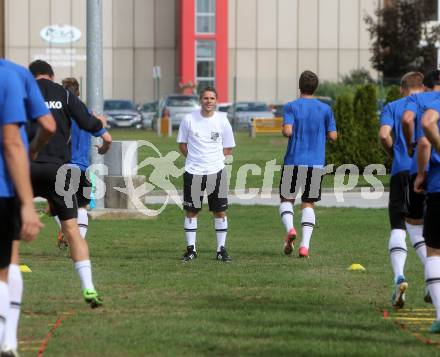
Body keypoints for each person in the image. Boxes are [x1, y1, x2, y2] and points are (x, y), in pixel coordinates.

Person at [28, 60, 112, 308]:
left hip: (28, 167)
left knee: (9, 226)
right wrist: (105, 138)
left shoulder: (24, 92)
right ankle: (89, 288)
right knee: (72, 229)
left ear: (31, 76)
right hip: (60, 170)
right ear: (52, 76)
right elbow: (88, 121)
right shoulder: (64, 94)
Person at [0, 58, 56, 356]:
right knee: (7, 263)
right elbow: (45, 125)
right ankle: (7, 338)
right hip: (4, 187)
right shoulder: (13, 74)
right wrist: (33, 147)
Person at [379, 72, 427, 309]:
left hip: (401, 171)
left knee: (398, 225)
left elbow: (384, 135)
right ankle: (432, 278)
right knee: (422, 230)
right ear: (424, 87)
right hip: (428, 172)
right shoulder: (431, 105)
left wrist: (393, 152)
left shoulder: (393, 107)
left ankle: (399, 275)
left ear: (402, 88)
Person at [279, 70, 337, 258]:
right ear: (316, 87)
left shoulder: (291, 107)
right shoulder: (325, 109)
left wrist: (286, 129)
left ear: (299, 86)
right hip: (316, 163)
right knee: (308, 203)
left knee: (287, 200)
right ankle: (305, 245)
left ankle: (290, 229)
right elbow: (333, 136)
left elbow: (288, 131)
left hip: (293, 161)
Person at [177, 87, 235, 262]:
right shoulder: (189, 119)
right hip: (193, 171)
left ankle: (221, 250)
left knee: (220, 212)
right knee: (191, 212)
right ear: (200, 100)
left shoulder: (223, 121)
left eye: (212, 98)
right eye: (205, 98)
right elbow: (182, 144)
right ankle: (191, 250)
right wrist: (195, 159)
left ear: (216, 100)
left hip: (216, 172)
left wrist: (215, 161)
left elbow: (228, 147)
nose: (208, 101)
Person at [400, 70, 440, 305]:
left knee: (429, 241)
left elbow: (409, 121)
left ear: (427, 86)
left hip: (427, 175)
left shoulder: (419, 100)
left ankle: (433, 286)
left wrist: (410, 146)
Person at [53, 77, 93, 247]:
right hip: (84, 168)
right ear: (78, 92)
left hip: (65, 166)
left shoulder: (62, 113)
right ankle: (79, 242)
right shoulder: (86, 112)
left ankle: (69, 234)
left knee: (56, 205)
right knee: (82, 207)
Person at [416, 96, 440, 332]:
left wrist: (421, 174)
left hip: (438, 187)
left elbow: (427, 125)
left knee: (433, 250)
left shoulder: (436, 104)